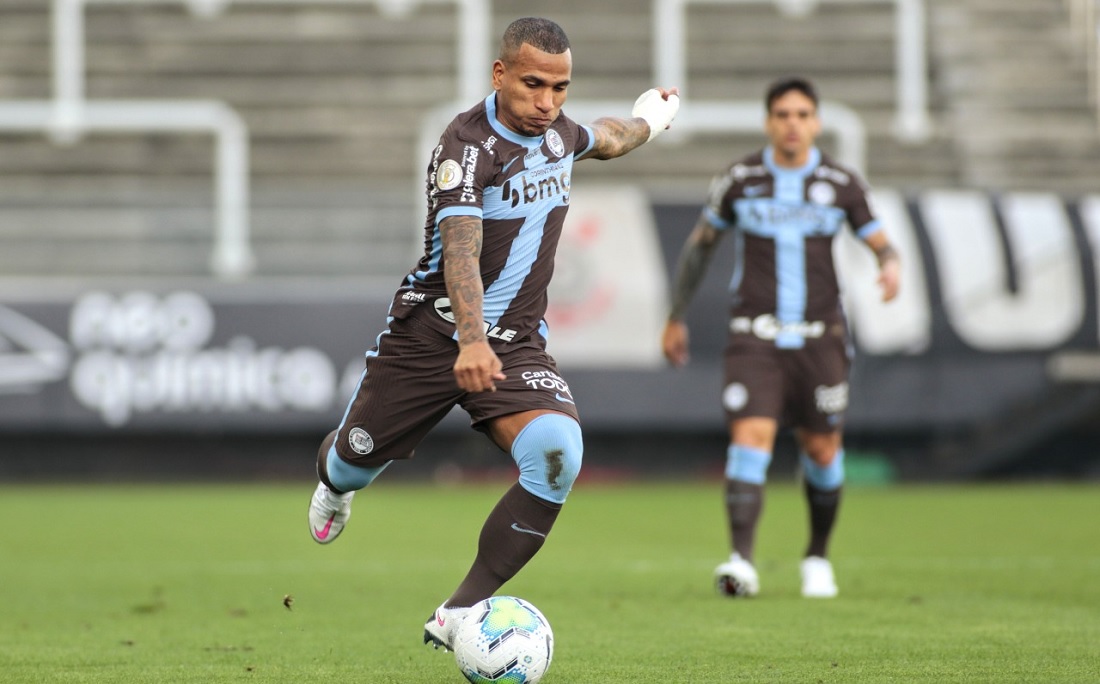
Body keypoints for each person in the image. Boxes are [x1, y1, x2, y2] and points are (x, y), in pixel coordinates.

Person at [306, 16, 679, 650]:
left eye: (560, 89)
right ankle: (336, 478)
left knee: (559, 454)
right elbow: (459, 252)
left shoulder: (558, 132)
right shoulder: (464, 148)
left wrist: (651, 122)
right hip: (432, 334)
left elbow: (609, 139)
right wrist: (471, 341)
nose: (548, 103)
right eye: (534, 85)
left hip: (516, 343)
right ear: (499, 74)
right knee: (354, 463)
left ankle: (459, 612)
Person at [661, 77, 899, 599]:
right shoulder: (741, 179)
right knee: (750, 439)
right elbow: (701, 245)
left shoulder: (840, 183)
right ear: (769, 122)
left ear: (815, 122)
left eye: (803, 114)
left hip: (820, 338)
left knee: (821, 448)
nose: (793, 124)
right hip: (756, 335)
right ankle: (741, 561)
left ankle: (816, 557)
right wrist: (676, 314)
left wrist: (891, 265)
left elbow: (880, 241)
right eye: (783, 114)